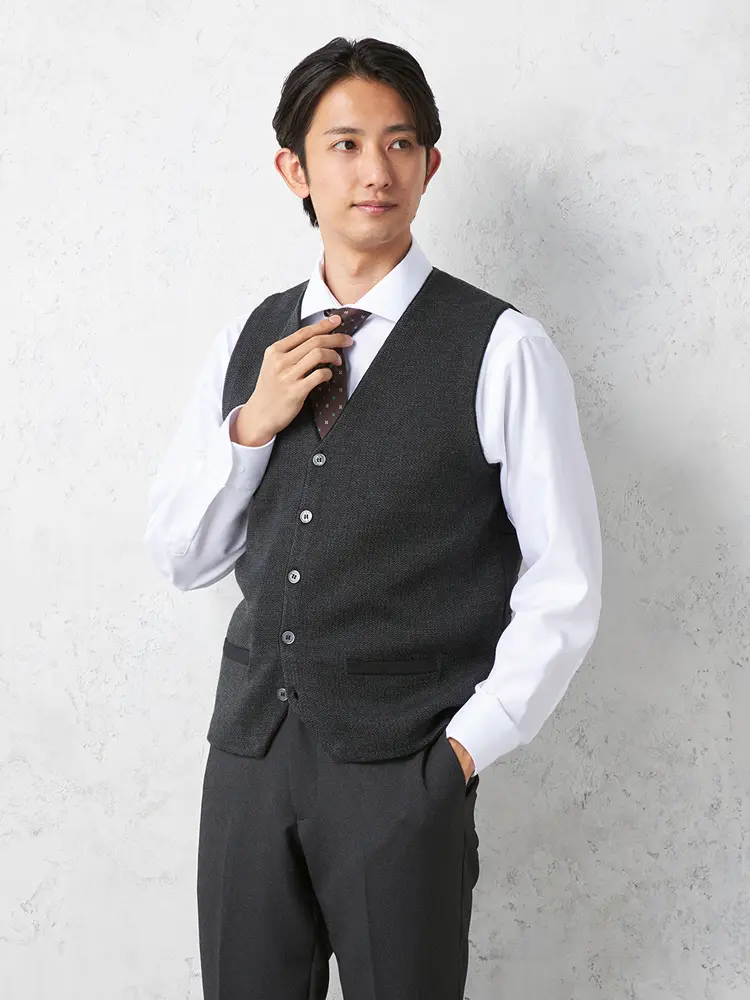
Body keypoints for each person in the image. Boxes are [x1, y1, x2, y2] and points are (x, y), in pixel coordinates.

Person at [144, 35, 603, 1000]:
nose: (375, 172)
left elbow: (565, 583)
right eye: (345, 145)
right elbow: (184, 558)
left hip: (406, 768)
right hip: (249, 760)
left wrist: (461, 754)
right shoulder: (247, 339)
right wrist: (250, 426)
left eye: (400, 144)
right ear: (295, 170)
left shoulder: (503, 347)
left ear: (431, 164)